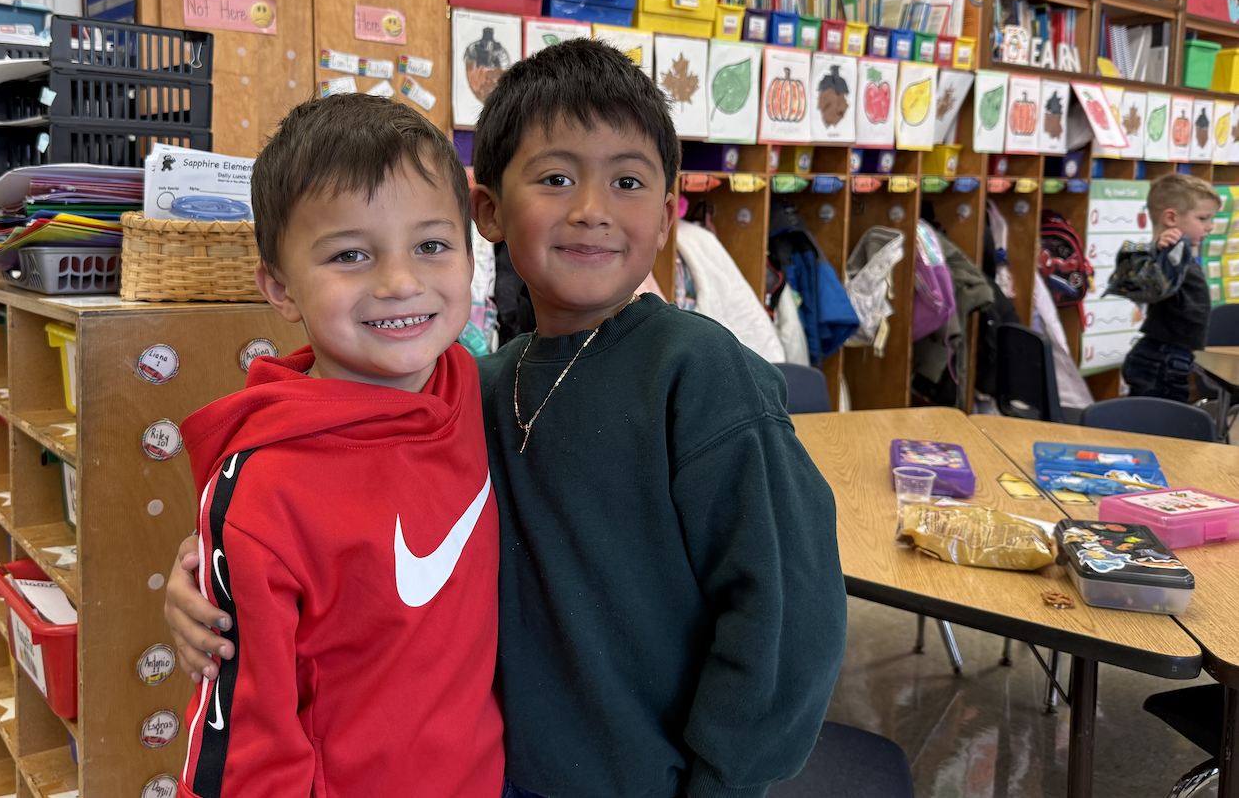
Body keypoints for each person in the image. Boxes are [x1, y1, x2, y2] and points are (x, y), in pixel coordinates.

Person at [166, 39, 848, 798]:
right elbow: (324, 471)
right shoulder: (471, 385)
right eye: (556, 177)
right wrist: (209, 573)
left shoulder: (698, 373)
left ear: (666, 218)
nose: (591, 209)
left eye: (627, 180)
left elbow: (790, 617)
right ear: (489, 212)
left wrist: (721, 781)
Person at [171, 94, 503, 798]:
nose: (400, 281)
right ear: (280, 287)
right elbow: (245, 751)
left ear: (472, 255)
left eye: (432, 245)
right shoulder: (266, 491)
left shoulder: (464, 382)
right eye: (349, 254)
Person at [1122, 172, 1221, 401]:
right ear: (1171, 218)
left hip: (1169, 355)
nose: (1210, 227)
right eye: (1203, 218)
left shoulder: (1179, 253)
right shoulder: (1167, 255)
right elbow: (1145, 285)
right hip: (1163, 357)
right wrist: (1158, 251)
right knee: (1159, 428)